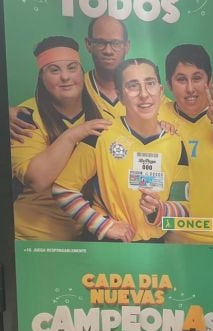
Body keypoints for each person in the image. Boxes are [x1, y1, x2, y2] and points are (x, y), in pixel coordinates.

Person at [52, 58, 193, 243]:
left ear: (160, 90)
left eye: (150, 83)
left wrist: (160, 210)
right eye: (133, 86)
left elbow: (184, 207)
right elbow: (63, 189)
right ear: (120, 95)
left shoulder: (175, 142)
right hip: (107, 247)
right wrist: (103, 225)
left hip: (154, 250)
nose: (144, 94)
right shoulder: (100, 136)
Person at [11, 36, 110, 241]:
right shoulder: (25, 116)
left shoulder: (103, 113)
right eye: (54, 70)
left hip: (84, 235)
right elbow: (37, 179)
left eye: (72, 68)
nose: (65, 77)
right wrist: (74, 134)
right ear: (42, 77)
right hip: (31, 237)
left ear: (81, 73)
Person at [157, 44, 213, 244]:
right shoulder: (154, 115)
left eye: (197, 78)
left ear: (209, 79)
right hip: (172, 237)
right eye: (181, 80)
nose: (190, 89)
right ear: (169, 85)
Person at [83, 16, 130, 120]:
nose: (108, 51)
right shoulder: (75, 88)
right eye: (100, 43)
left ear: (126, 46)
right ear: (88, 44)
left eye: (116, 43)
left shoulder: (144, 89)